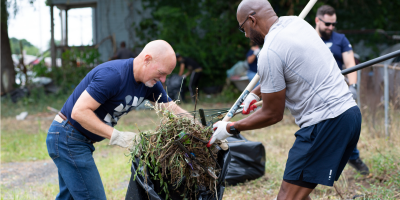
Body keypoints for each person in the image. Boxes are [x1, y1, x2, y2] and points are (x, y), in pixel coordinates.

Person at [208, 0, 362, 199]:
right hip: (349, 115)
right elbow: (291, 69)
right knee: (300, 194)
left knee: (286, 197)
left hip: (326, 124)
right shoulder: (296, 24)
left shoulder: (269, 52)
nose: (245, 35)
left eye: (242, 28)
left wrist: (230, 128)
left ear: (252, 20)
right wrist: (256, 93)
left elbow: (272, 114)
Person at [46, 40, 188, 200]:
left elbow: (172, 109)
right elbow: (79, 112)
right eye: (161, 73)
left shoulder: (149, 84)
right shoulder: (113, 75)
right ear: (147, 59)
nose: (163, 79)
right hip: (67, 137)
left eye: (166, 75)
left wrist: (202, 127)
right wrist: (118, 137)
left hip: (75, 139)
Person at [315, 5, 369, 175]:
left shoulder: (341, 40)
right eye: (327, 24)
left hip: (338, 92)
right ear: (317, 20)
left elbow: (350, 64)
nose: (331, 28)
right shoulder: (308, 38)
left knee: (347, 127)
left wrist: (353, 87)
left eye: (333, 24)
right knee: (318, 130)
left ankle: (352, 156)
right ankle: (319, 166)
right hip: (314, 93)